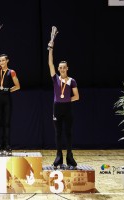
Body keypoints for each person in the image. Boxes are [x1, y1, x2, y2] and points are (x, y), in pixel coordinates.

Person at [47, 32, 79, 168]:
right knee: (58, 133)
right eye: (60, 68)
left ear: (67, 68)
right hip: (56, 108)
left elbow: (77, 96)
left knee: (68, 133)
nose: (61, 69)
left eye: (64, 67)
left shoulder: (72, 80)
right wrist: (51, 48)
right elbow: (50, 63)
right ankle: (58, 157)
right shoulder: (55, 79)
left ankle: (70, 157)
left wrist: (66, 99)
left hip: (67, 108)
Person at [0, 34, 20, 155]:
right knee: (0, 123)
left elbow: (18, 86)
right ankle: (0, 144)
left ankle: (7, 145)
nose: (1, 62)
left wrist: (8, 90)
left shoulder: (11, 72)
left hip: (7, 100)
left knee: (7, 123)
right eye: (0, 60)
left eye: (3, 60)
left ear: (7, 61)